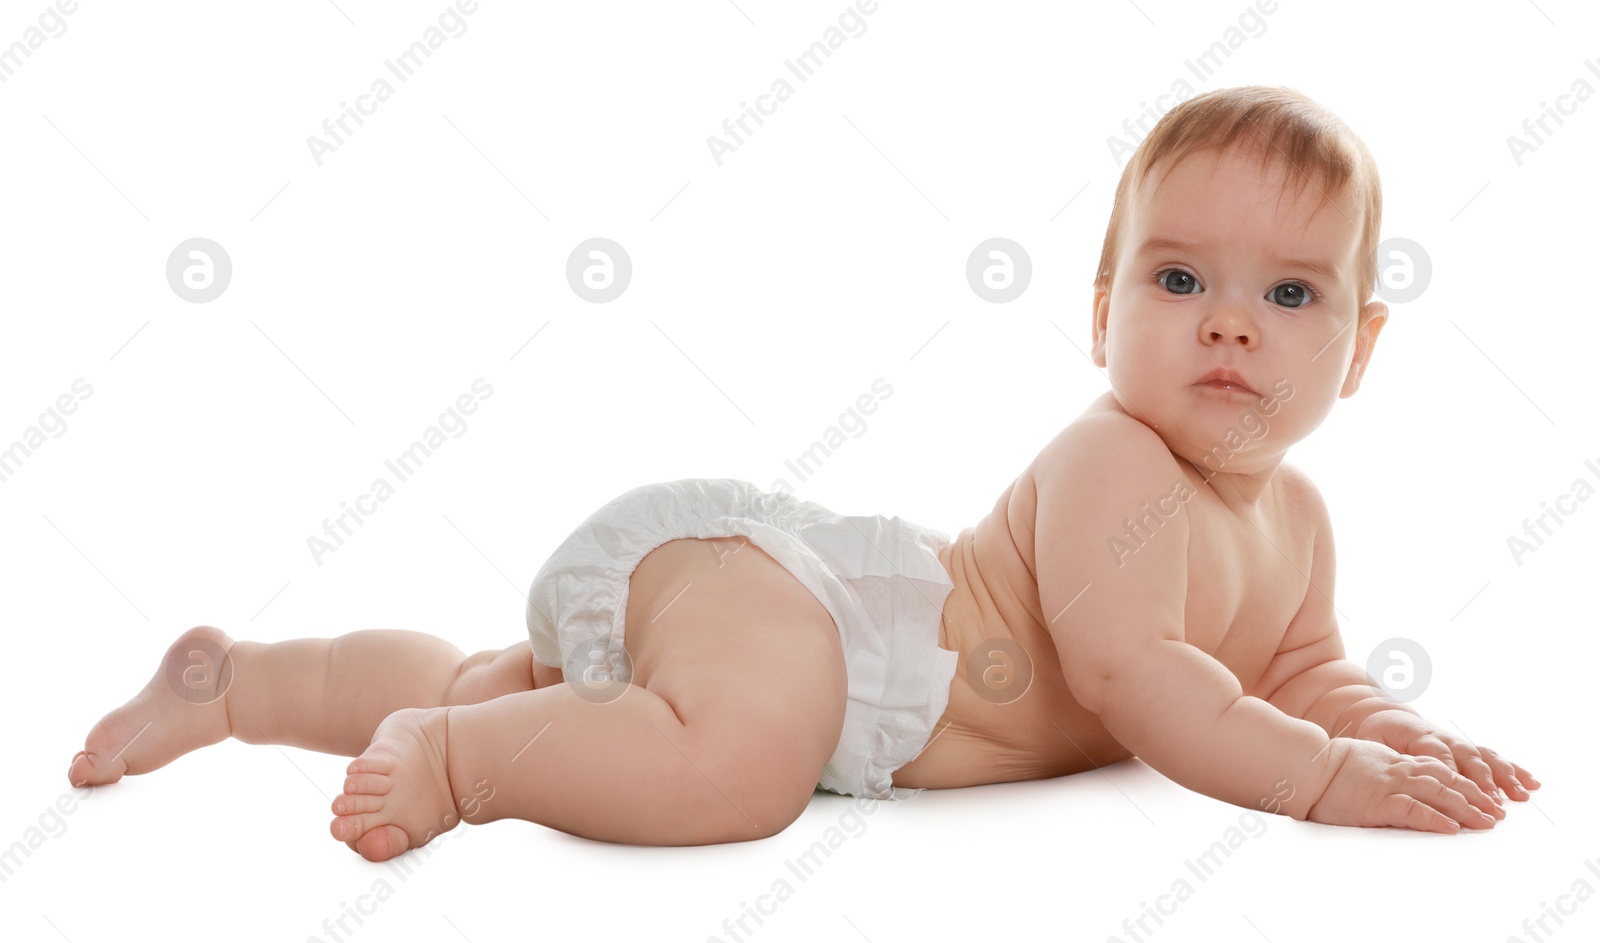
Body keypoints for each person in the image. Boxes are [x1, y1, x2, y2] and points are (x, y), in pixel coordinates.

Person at [69, 85, 1538, 860]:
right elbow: (1143, 681)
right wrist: (1331, 781)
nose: (1230, 320)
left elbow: (1301, 666)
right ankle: (460, 772)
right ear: (1101, 313)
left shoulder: (1298, 519)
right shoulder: (1116, 461)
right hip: (812, 615)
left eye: (1292, 296)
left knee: (493, 672)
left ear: (1360, 348)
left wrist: (1397, 733)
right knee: (733, 773)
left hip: (786, 630)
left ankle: (244, 683)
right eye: (1177, 277)